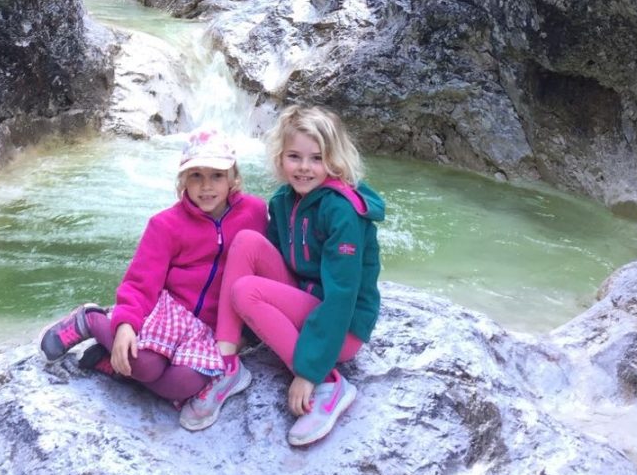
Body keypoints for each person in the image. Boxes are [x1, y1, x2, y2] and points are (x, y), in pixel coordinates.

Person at [181, 105, 384, 446]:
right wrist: (249, 331)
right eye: (294, 156)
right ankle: (226, 363)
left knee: (246, 291)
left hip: (343, 328)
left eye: (316, 158)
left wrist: (308, 371)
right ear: (280, 157)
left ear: (334, 160)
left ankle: (329, 386)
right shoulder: (283, 201)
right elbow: (271, 267)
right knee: (247, 241)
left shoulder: (342, 212)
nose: (304, 168)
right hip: (303, 305)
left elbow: (341, 297)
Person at [38, 128, 268, 411]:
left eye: (217, 175)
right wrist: (125, 324)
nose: (206, 186)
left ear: (234, 177)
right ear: (183, 179)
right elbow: (140, 282)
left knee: (184, 385)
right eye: (196, 175)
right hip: (169, 312)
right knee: (146, 366)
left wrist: (248, 332)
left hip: (210, 328)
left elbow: (265, 265)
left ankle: (113, 363)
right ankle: (91, 320)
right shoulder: (166, 225)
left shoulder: (255, 212)